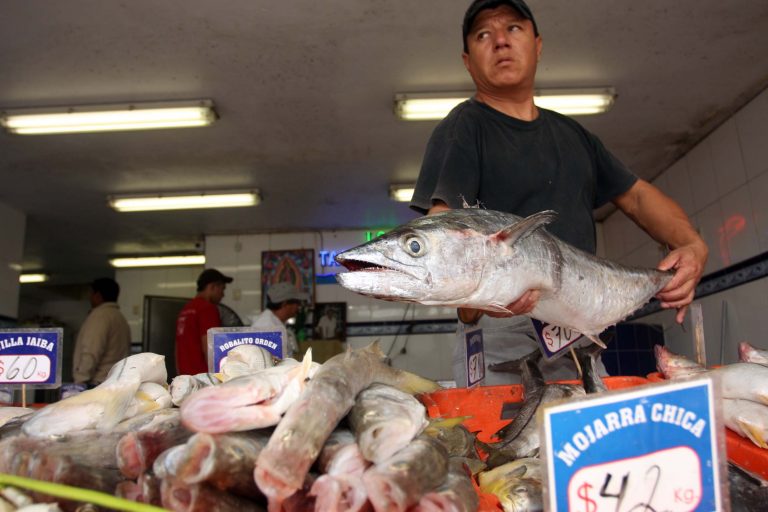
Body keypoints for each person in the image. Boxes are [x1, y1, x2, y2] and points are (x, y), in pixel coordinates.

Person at [410, 0, 708, 386]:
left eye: (513, 29)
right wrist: (474, 306)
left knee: (586, 440)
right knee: (509, 445)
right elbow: (443, 228)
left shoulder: (574, 136)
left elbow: (636, 197)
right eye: (484, 35)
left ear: (538, 45)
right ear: (468, 61)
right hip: (506, 335)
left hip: (579, 335)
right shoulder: (465, 128)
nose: (500, 41)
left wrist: (692, 245)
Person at [72, 277, 132, 386]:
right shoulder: (120, 317)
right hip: (115, 382)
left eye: (91, 294)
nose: (90, 298)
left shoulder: (99, 316)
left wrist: (80, 380)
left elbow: (91, 352)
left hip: (97, 384)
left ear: (98, 295)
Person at [175, 268, 233, 375]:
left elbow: (177, 347)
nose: (223, 294)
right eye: (222, 289)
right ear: (212, 287)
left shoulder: (185, 310)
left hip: (185, 378)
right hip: (203, 377)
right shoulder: (207, 309)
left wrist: (180, 376)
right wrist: (217, 376)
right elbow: (209, 346)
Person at [251, 282, 308, 359]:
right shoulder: (266, 326)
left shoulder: (276, 322)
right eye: (297, 303)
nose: (298, 306)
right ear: (284, 304)